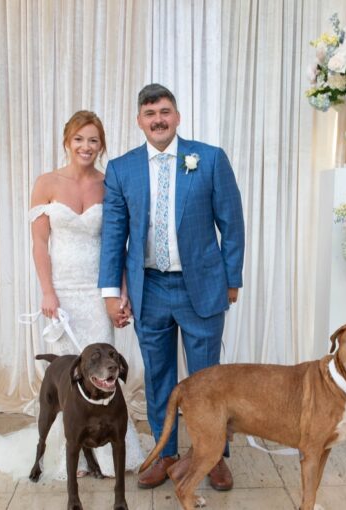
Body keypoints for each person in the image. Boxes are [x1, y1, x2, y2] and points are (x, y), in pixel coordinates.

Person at [0, 111, 144, 480]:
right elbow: (39, 241)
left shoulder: (108, 183)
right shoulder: (46, 182)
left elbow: (119, 244)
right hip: (62, 294)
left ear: (102, 145)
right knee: (69, 377)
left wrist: (121, 294)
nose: (86, 146)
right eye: (79, 139)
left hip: (99, 293)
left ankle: (112, 445)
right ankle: (76, 453)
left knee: (104, 372)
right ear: (67, 142)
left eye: (94, 140)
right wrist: (47, 292)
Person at [98, 84, 245, 490]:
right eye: (150, 113)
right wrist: (112, 292)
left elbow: (232, 223)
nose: (158, 119)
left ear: (177, 116)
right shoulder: (122, 169)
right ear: (139, 121)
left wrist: (232, 280)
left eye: (164, 111)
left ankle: (212, 456)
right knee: (160, 377)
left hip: (203, 287)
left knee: (208, 381)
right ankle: (165, 455)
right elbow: (114, 234)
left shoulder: (209, 159)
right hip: (151, 289)